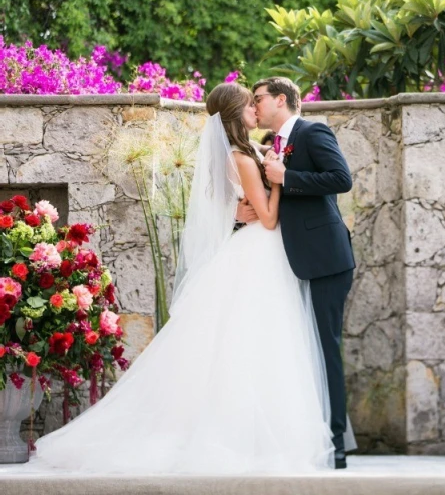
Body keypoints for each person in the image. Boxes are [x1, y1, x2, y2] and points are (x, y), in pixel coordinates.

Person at [31, 82, 334, 475]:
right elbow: (271, 217)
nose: (254, 112)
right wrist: (278, 181)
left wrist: (255, 193)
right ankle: (249, 440)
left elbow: (240, 207)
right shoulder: (242, 156)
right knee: (254, 344)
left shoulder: (249, 151)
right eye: (248, 106)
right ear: (234, 114)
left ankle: (256, 436)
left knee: (253, 344)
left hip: (256, 250)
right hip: (259, 252)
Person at [236, 77, 354, 469]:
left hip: (325, 260)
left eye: (260, 99)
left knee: (326, 348)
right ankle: (310, 437)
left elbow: (342, 179)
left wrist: (289, 178)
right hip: (289, 263)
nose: (256, 105)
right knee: (301, 351)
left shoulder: (312, 131)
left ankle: (336, 444)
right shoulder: (271, 146)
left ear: (281, 100)